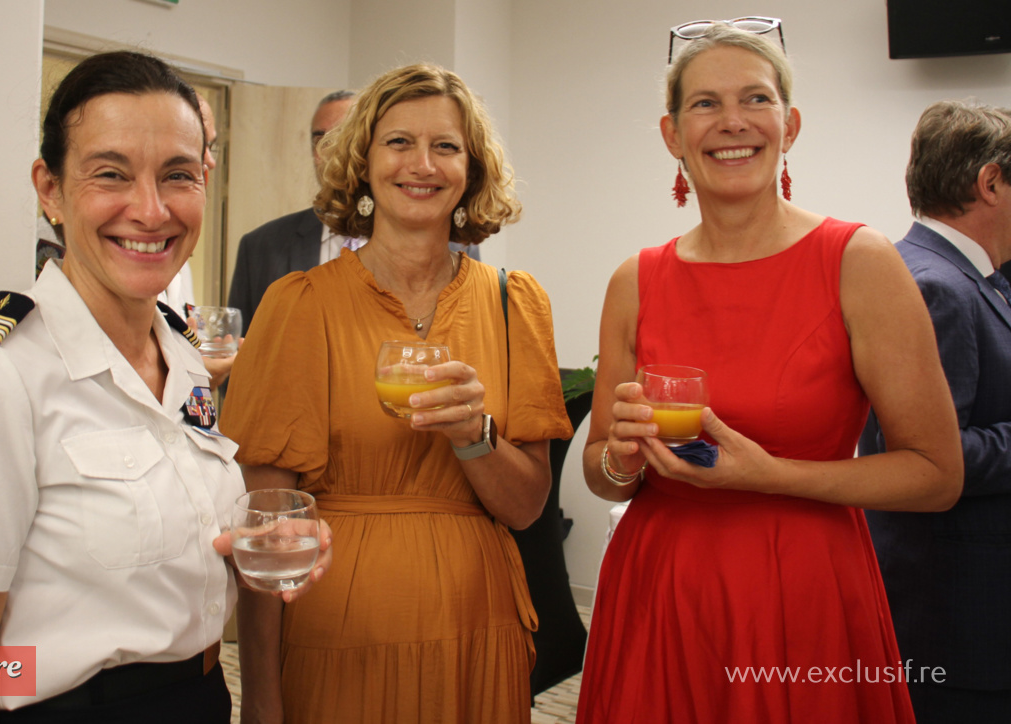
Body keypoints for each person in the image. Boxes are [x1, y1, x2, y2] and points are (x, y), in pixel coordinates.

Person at [0, 51, 329, 723]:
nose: (150, 211)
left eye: (178, 175)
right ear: (50, 189)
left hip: (202, 697)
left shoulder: (181, 354)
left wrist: (252, 547)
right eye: (111, 174)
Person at [576, 21, 962, 723]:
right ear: (671, 134)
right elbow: (601, 472)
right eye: (704, 104)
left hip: (804, 585)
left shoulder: (858, 262)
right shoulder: (636, 280)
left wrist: (767, 474)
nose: (732, 122)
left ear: (790, 124)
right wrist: (622, 454)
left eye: (755, 99)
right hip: (663, 588)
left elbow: (937, 475)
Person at [219, 63, 571, 724]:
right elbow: (265, 528)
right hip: (338, 637)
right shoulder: (298, 306)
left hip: (478, 632)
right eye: (399, 142)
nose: (422, 164)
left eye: (446, 146)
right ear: (363, 161)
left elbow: (527, 509)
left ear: (472, 168)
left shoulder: (513, 304)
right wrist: (262, 695)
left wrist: (475, 436)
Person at [859, 100, 1011, 722]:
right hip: (957, 617)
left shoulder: (971, 275)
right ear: (991, 182)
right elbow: (915, 458)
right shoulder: (933, 285)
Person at [226, 89, 480, 335]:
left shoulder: (466, 259)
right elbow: (242, 358)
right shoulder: (262, 247)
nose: (330, 149)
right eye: (320, 139)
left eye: (445, 145)